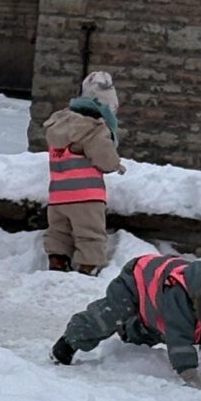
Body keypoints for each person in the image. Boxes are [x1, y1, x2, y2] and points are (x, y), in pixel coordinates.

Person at [51, 254, 201, 390]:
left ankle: (129, 331)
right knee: (107, 318)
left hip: (164, 301)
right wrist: (190, 375)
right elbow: (179, 339)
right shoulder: (180, 297)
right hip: (138, 277)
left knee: (148, 334)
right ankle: (71, 339)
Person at [43, 70, 123, 276]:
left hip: (58, 196)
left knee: (58, 232)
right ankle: (88, 268)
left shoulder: (59, 126)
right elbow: (106, 160)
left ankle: (57, 261)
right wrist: (116, 164)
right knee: (90, 234)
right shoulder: (94, 129)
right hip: (86, 197)